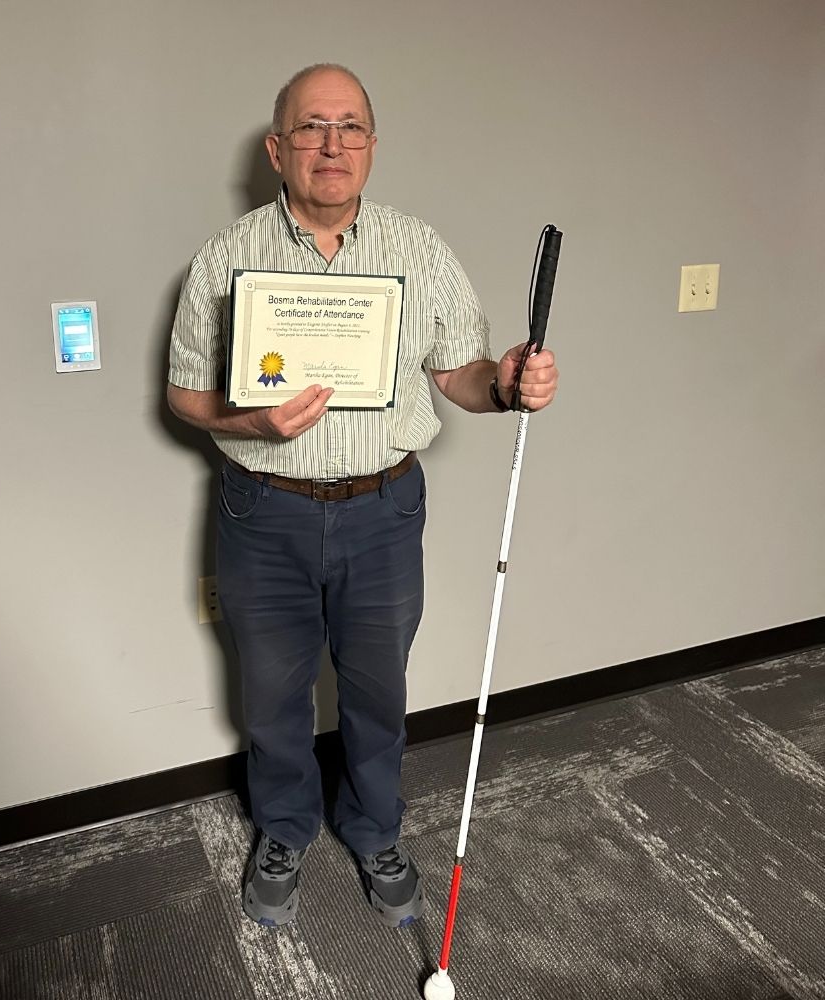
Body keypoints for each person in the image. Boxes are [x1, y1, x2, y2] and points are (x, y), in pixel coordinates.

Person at [167, 64, 558, 928]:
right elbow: (184, 395)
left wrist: (507, 383)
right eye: (311, 127)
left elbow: (459, 373)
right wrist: (250, 420)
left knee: (377, 690)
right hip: (260, 510)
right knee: (272, 693)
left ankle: (376, 827)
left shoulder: (419, 250)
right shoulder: (225, 259)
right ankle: (282, 828)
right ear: (279, 149)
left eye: (350, 127)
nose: (331, 145)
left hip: (383, 511)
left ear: (373, 147)